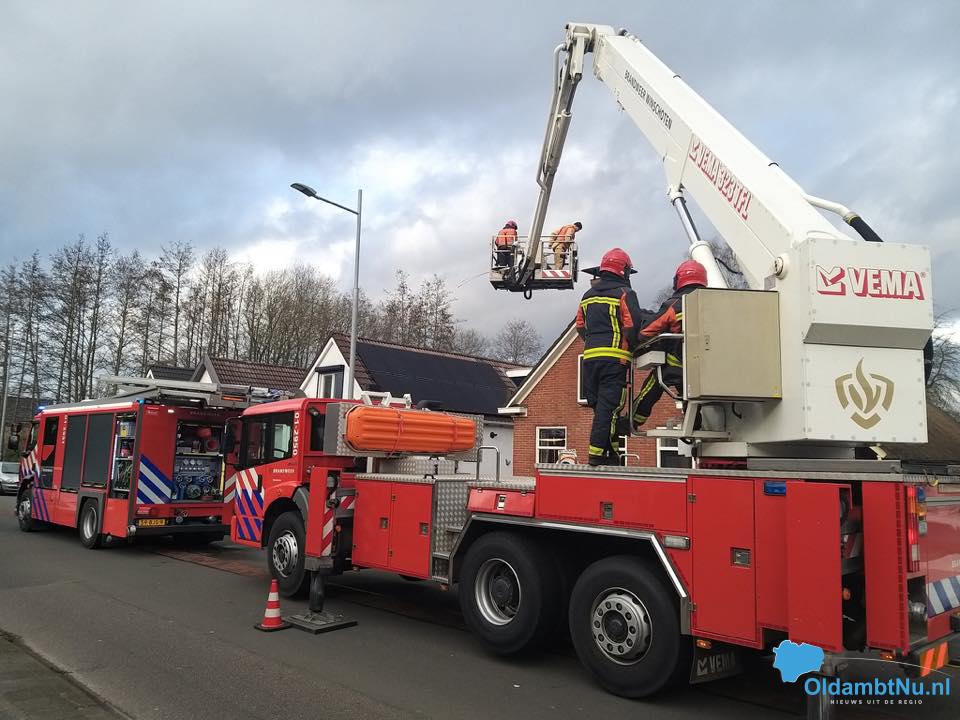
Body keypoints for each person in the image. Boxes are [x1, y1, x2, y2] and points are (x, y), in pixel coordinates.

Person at [576, 248, 645, 466]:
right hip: (614, 361)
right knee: (610, 408)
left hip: (590, 361)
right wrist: (634, 347)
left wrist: (593, 343)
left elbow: (580, 326)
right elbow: (632, 326)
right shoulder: (625, 293)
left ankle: (611, 454)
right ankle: (596, 456)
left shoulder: (587, 297)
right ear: (623, 270)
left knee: (603, 412)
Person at [631, 259, 707, 429]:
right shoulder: (718, 302)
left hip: (680, 365)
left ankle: (634, 419)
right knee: (688, 383)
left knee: (657, 379)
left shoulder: (675, 304)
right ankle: (693, 417)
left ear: (678, 280)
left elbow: (647, 331)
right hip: (711, 366)